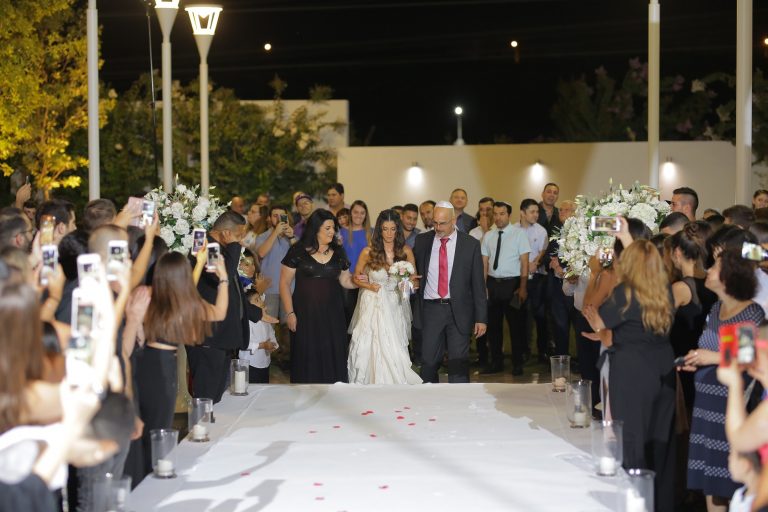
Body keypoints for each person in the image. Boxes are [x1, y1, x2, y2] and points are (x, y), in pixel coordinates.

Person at [584, 240, 677, 512]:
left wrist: (598, 326)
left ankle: (636, 501)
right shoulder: (665, 290)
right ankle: (662, 504)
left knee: (633, 441)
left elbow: (598, 319)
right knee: (661, 443)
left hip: (632, 371)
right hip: (664, 368)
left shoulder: (626, 292)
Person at [681, 248, 764, 511]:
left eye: (715, 267)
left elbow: (746, 357)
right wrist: (697, 359)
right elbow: (712, 349)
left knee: (728, 482)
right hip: (705, 408)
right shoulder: (716, 309)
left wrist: (712, 358)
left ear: (730, 276)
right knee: (710, 484)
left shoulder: (750, 313)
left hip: (729, 408)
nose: (708, 270)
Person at [137, 249, 228, 477]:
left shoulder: (148, 296)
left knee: (145, 425)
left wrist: (198, 264)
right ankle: (151, 475)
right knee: (158, 426)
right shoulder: (183, 306)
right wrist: (224, 278)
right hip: (163, 369)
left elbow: (184, 293)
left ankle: (145, 473)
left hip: (142, 363)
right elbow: (219, 313)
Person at [187, 211, 263, 403]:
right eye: (238, 235)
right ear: (226, 233)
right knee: (206, 395)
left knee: (216, 394)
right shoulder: (205, 244)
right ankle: (201, 423)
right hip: (208, 335)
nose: (241, 240)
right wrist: (235, 246)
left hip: (222, 335)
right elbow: (221, 277)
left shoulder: (222, 247)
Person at [413, 201, 487, 383]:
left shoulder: (470, 244)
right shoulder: (422, 241)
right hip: (431, 309)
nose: (438, 228)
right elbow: (414, 271)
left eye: (442, 223)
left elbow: (478, 284)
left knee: (458, 363)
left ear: (453, 220)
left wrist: (481, 318)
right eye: (435, 223)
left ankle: (459, 399)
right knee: (428, 361)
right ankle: (429, 397)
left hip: (459, 311)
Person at [279, 209, 357, 383]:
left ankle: (334, 393)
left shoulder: (339, 251)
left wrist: (359, 281)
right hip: (305, 314)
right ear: (315, 228)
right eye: (328, 228)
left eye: (333, 228)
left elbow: (345, 280)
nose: (332, 232)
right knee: (306, 355)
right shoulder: (297, 250)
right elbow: (284, 283)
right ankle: (305, 396)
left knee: (332, 353)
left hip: (333, 315)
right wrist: (290, 313)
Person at [348, 210, 422, 384]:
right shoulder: (368, 252)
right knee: (372, 343)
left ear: (398, 230)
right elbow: (355, 278)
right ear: (379, 230)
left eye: (393, 229)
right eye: (385, 229)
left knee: (394, 344)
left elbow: (415, 282)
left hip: (395, 304)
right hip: (373, 303)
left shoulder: (405, 251)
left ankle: (395, 383)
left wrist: (408, 284)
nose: (389, 233)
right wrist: (369, 286)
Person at [481, 201, 530, 375]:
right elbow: (484, 263)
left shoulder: (519, 234)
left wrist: (523, 287)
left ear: (508, 215)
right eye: (495, 214)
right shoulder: (488, 236)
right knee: (493, 327)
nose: (498, 217)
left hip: (513, 283)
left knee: (516, 326)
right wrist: (483, 286)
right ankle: (496, 362)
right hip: (493, 283)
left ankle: (517, 363)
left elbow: (525, 262)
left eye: (502, 214)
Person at [517, 198, 550, 363]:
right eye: (532, 212)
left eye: (537, 212)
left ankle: (542, 350)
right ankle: (523, 351)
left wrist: (535, 263)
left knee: (540, 315)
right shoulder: (513, 230)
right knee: (521, 316)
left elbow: (543, 252)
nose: (536, 215)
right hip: (518, 277)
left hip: (537, 278)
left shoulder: (541, 231)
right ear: (522, 213)